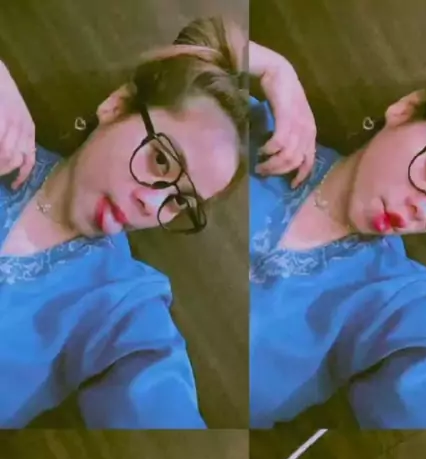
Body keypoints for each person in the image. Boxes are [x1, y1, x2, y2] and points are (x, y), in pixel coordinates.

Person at [0, 16, 248, 428]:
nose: (151, 203)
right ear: (117, 106)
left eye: (179, 201)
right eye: (161, 159)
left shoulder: (124, 304)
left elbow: (159, 404)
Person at [249, 40, 426, 428]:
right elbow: (176, 67)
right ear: (406, 109)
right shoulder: (260, 133)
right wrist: (273, 68)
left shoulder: (395, 300)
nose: (423, 212)